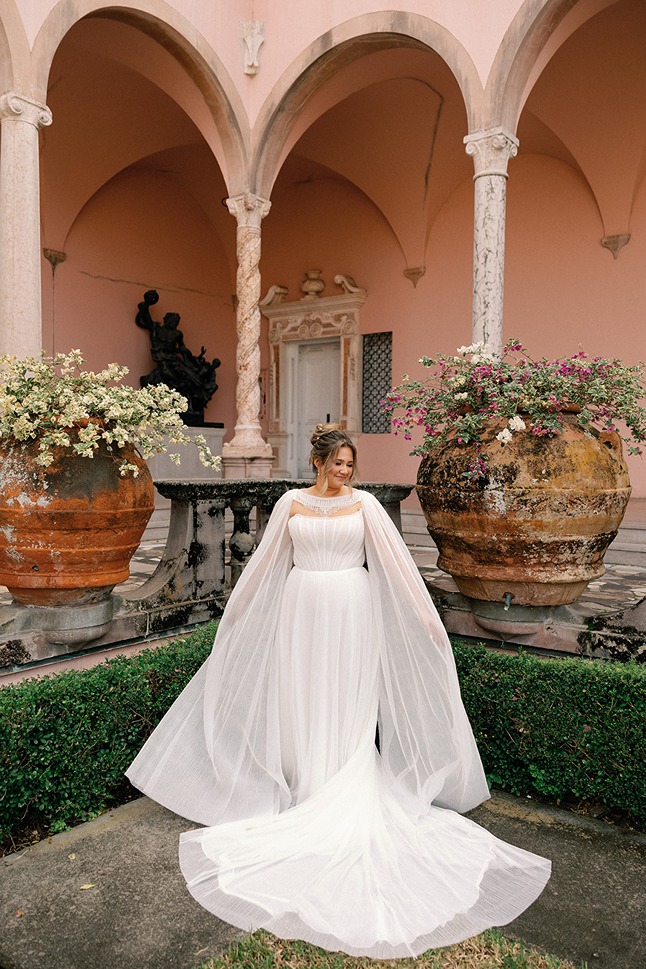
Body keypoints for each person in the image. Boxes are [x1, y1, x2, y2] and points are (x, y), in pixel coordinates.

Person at [126, 424, 550, 959]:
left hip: (352, 606)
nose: (346, 471)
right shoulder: (290, 505)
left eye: (352, 463)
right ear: (320, 461)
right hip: (301, 606)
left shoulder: (367, 507)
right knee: (301, 694)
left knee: (348, 697)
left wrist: (426, 619)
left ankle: (341, 778)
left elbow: (396, 568)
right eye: (339, 463)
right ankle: (305, 782)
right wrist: (235, 615)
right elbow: (264, 566)